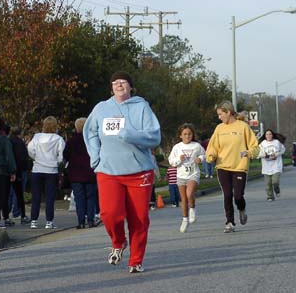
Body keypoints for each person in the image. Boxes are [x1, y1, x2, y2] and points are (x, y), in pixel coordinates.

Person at [83, 71, 161, 274]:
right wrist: (95, 156)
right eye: (115, 82)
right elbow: (90, 132)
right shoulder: (101, 108)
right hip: (108, 170)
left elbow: (154, 137)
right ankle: (118, 242)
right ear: (111, 88)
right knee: (110, 214)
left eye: (123, 82)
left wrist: (130, 134)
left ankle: (136, 260)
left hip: (139, 171)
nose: (119, 85)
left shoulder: (141, 107)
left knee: (139, 218)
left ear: (130, 87)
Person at [206, 101, 259, 233]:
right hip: (223, 167)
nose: (219, 117)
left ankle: (242, 209)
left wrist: (250, 152)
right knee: (227, 194)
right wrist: (211, 156)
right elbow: (212, 147)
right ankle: (230, 222)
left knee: (238, 196)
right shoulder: (219, 129)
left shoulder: (243, 127)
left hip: (239, 166)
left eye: (220, 114)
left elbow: (255, 146)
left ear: (228, 112)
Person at [28, 116, 65, 230]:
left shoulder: (37, 137)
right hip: (51, 170)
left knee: (36, 197)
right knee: (50, 197)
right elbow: (61, 155)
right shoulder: (58, 139)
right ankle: (49, 221)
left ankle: (33, 220)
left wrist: (36, 158)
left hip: (37, 169)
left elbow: (30, 149)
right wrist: (56, 161)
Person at [168, 123, 205, 233]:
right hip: (181, 175)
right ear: (180, 136)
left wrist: (200, 159)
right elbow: (172, 161)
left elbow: (205, 154)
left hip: (193, 174)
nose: (187, 136)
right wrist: (179, 159)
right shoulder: (177, 147)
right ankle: (185, 219)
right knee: (183, 199)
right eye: (185, 134)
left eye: (189, 134)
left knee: (189, 194)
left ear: (192, 135)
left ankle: (192, 209)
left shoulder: (196, 146)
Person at [63, 117, 98, 229]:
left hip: (75, 174)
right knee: (91, 197)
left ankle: (81, 221)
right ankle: (91, 220)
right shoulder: (92, 140)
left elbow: (65, 156)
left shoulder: (71, 141)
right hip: (90, 172)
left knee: (79, 198)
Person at [9, 126, 31, 224]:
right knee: (18, 192)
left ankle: (7, 211)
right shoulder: (20, 143)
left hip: (10, 169)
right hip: (20, 170)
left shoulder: (8, 141)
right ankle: (17, 212)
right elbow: (23, 157)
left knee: (10, 192)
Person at [257, 129, 286, 202]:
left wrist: (276, 154)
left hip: (276, 166)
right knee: (268, 184)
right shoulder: (262, 144)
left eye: (270, 134)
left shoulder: (277, 142)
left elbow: (283, 150)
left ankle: (277, 189)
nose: (269, 136)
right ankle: (270, 196)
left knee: (275, 182)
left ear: (272, 135)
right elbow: (259, 154)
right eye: (267, 134)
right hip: (266, 167)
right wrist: (265, 155)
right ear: (265, 136)